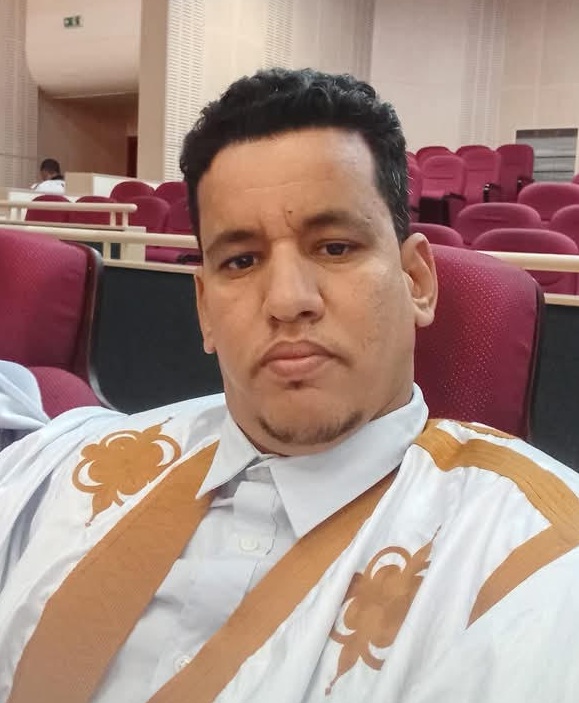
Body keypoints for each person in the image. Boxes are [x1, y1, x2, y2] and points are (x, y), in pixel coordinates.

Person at [1, 68, 579, 703]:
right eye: (241, 260)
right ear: (204, 309)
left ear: (416, 281)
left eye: (334, 248)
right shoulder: (69, 463)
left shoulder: (535, 561)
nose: (286, 300)